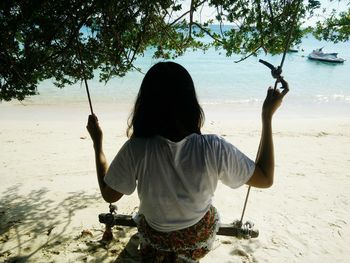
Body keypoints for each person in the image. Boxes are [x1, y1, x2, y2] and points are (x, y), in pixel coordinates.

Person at [87, 61, 289, 262]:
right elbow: (265, 179)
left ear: (145, 105)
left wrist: (98, 144)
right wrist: (267, 116)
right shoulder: (213, 147)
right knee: (207, 213)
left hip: (154, 240)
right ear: (191, 103)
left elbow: (109, 194)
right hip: (196, 242)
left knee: (144, 218)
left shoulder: (136, 148)